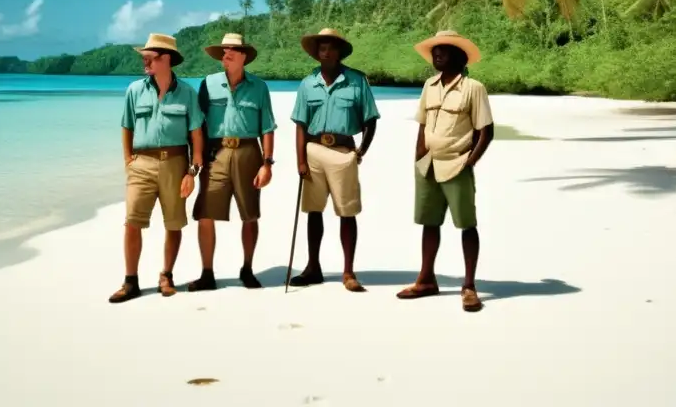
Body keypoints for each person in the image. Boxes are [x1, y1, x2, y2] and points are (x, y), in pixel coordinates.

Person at [396, 30, 494, 312]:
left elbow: (486, 131)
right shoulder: (430, 85)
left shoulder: (473, 88)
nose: (436, 55)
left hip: (457, 165)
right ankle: (426, 279)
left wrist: (470, 162)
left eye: (443, 51)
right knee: (429, 223)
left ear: (459, 56)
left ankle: (469, 286)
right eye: (434, 51)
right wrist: (418, 158)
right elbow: (422, 125)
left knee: (466, 225)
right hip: (427, 165)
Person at [108, 33, 205, 303]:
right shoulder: (134, 90)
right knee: (132, 223)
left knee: (174, 224)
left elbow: (196, 135)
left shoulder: (187, 93)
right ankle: (130, 282)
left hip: (176, 163)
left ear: (167, 59)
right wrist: (128, 160)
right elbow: (126, 126)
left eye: (150, 58)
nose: (145, 62)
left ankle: (167, 275)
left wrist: (192, 172)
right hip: (141, 164)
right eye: (145, 57)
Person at [289, 28, 380, 292]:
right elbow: (300, 125)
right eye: (321, 47)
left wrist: (361, 151)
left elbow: (370, 119)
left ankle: (348, 272)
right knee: (313, 211)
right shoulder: (308, 83)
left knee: (346, 211)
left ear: (339, 52)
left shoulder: (356, 81)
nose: (325, 52)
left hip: (343, 153)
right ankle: (312, 267)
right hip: (313, 150)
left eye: (330, 47)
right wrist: (300, 161)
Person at [187, 32, 277, 292]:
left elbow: (267, 127)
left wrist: (267, 163)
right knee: (205, 213)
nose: (225, 55)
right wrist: (196, 159)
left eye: (231, 51)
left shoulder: (259, 87)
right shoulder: (208, 83)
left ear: (244, 57)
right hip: (216, 153)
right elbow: (197, 123)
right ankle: (207, 274)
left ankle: (247, 270)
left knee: (250, 215)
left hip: (249, 152)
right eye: (223, 51)